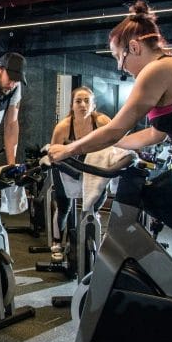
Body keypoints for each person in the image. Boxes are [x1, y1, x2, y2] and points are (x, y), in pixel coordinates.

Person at [48, 0, 172, 342]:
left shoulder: (161, 69)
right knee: (156, 195)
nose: (120, 67)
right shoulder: (166, 75)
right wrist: (116, 150)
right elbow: (153, 134)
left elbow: (117, 126)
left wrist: (72, 149)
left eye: (119, 59)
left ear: (135, 47)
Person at [49, 86, 111, 261]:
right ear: (72, 105)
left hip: (92, 167)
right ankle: (56, 242)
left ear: (93, 105)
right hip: (66, 167)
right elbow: (53, 156)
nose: (83, 104)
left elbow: (115, 141)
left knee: (92, 206)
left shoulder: (102, 121)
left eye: (87, 101)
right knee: (64, 206)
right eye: (78, 101)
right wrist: (74, 173)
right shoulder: (63, 127)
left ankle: (91, 234)